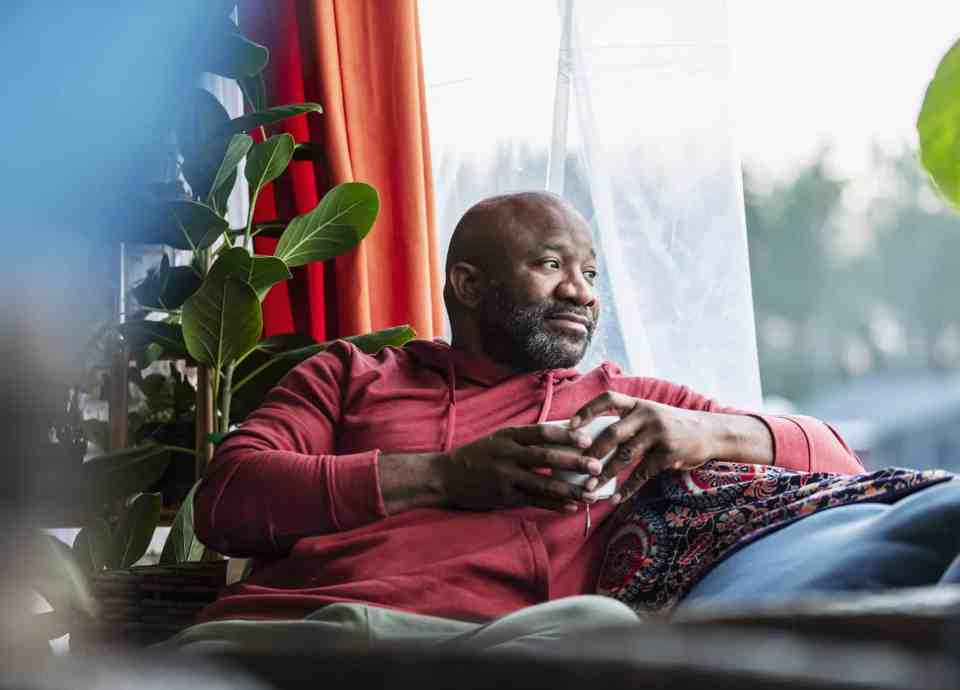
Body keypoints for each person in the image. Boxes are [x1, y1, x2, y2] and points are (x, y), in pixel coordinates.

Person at [169, 191, 956, 655]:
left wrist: (704, 434)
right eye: (552, 265)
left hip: (478, 653)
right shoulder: (349, 374)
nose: (583, 292)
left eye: (591, 273)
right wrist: (447, 476)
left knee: (599, 627)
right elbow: (228, 499)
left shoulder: (621, 402)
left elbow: (840, 462)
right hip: (283, 635)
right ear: (467, 284)